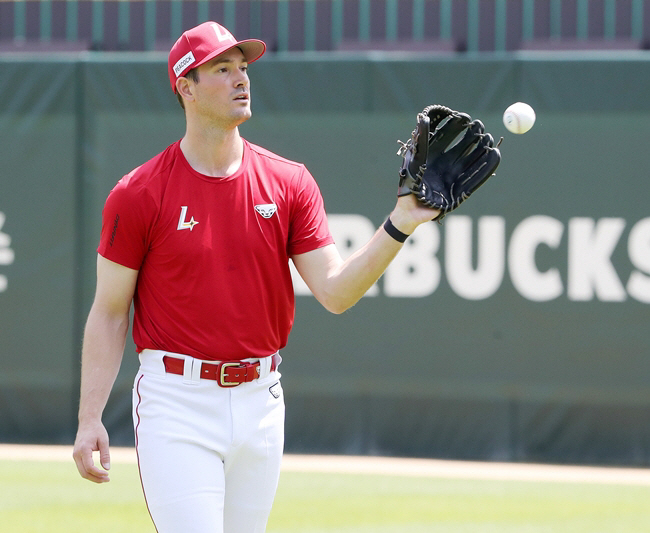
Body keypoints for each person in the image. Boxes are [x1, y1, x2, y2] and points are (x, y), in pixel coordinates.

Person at [72, 21, 438, 533]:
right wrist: (90, 419)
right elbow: (110, 311)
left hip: (261, 400)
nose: (241, 79)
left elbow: (334, 292)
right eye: (222, 69)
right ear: (186, 87)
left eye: (243, 68)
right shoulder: (137, 194)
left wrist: (401, 222)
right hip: (175, 403)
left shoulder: (290, 182)